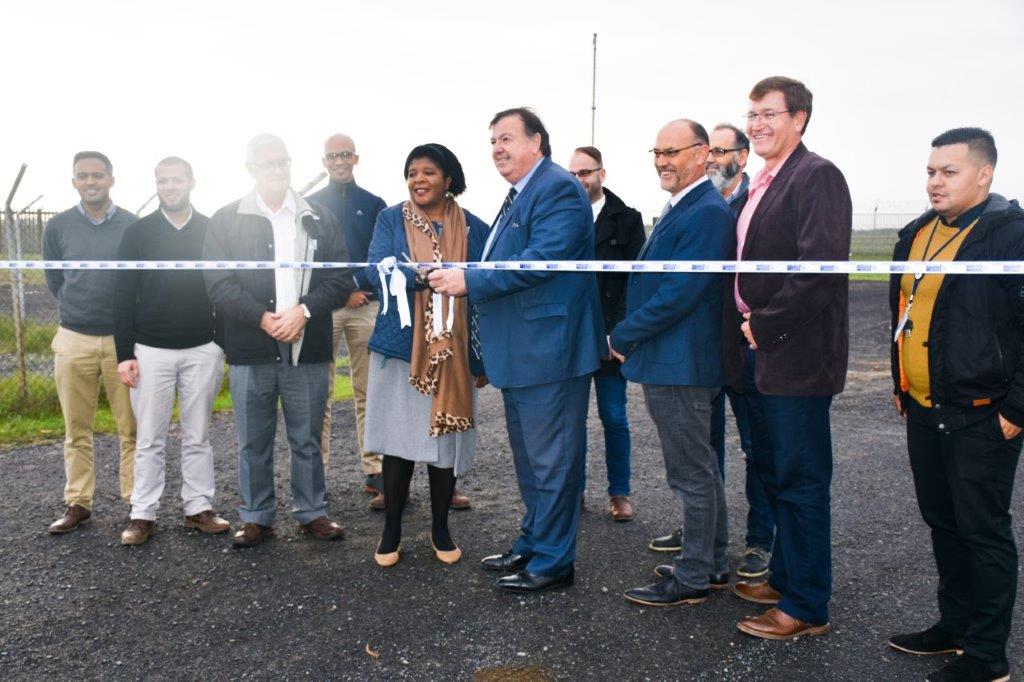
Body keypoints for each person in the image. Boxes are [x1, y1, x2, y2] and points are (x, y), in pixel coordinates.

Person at [429, 107, 604, 593]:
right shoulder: (521, 193)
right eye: (492, 141)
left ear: (537, 142)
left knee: (553, 460)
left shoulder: (557, 189)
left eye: (506, 138)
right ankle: (533, 542)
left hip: (550, 352)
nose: (497, 149)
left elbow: (542, 261)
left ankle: (554, 561)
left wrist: (469, 278)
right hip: (525, 353)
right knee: (532, 460)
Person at [887, 128, 1023, 682]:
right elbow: (903, 309)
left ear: (984, 174)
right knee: (943, 521)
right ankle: (955, 625)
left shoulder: (1009, 236)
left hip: (983, 412)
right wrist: (901, 384)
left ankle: (987, 654)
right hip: (924, 406)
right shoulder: (916, 233)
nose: (935, 182)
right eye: (930, 172)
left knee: (984, 531)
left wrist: (1016, 409)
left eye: (949, 172)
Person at [725, 77, 851, 640]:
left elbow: (819, 272)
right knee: (777, 475)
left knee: (801, 483)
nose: (756, 125)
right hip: (762, 354)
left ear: (799, 118)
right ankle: (784, 575)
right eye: (751, 114)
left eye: (768, 114)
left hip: (795, 357)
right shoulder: (764, 182)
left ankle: (806, 606)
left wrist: (764, 325)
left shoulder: (816, 175)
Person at [203, 134, 354, 548]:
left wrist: (302, 311)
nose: (277, 170)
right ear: (250, 169)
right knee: (253, 438)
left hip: (307, 347)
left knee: (306, 437)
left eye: (283, 162)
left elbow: (340, 278)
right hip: (251, 348)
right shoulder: (226, 218)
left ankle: (312, 512)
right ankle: (256, 517)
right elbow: (217, 282)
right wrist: (262, 318)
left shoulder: (318, 217)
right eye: (268, 164)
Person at [612, 119, 732, 607]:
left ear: (702, 154)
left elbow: (680, 293)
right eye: (656, 151)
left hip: (681, 363)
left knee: (691, 473)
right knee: (701, 469)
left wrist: (624, 333)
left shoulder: (707, 212)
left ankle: (693, 577)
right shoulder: (685, 204)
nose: (662, 160)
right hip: (673, 359)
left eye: (672, 151)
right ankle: (713, 562)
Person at [361, 144, 488, 567]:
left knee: (443, 446)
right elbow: (372, 270)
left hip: (455, 352)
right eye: (412, 172)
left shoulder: (474, 226)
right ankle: (392, 529)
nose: (418, 179)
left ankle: (440, 528)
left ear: (448, 179)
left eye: (428, 172)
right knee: (399, 443)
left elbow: (488, 286)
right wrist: (423, 277)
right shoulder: (388, 218)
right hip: (401, 348)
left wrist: (482, 358)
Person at [112, 157, 230, 546]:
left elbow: (226, 284)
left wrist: (220, 342)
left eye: (176, 180)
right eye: (162, 181)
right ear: (156, 185)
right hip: (150, 350)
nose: (169, 187)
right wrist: (124, 353)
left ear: (192, 182)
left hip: (202, 348)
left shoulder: (212, 228)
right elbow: (123, 294)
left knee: (198, 434)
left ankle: (198, 508)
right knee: (149, 436)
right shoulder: (138, 233)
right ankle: (142, 513)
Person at [42, 151, 137, 534]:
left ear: (111, 180)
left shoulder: (132, 225)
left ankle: (136, 503)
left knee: (130, 428)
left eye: (98, 175)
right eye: (83, 176)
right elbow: (54, 281)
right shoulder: (58, 226)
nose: (91, 181)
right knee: (76, 429)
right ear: (74, 182)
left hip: (122, 341)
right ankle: (78, 503)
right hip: (74, 338)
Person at [308, 134, 391, 509]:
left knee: (368, 390)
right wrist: (339, 294)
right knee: (318, 392)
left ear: (355, 158)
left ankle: (375, 469)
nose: (339, 161)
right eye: (332, 156)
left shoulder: (374, 205)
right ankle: (315, 472)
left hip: (366, 306)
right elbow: (307, 261)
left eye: (345, 154)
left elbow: (383, 254)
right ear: (324, 161)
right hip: (323, 308)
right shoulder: (309, 205)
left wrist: (357, 288)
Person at [567, 146, 645, 522]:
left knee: (614, 416)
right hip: (573, 337)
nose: (580, 180)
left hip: (611, 338)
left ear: (602, 173)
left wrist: (618, 334)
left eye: (586, 172)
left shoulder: (628, 219)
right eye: (574, 174)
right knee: (573, 420)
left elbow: (635, 281)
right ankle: (575, 491)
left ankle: (619, 493)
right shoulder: (562, 219)